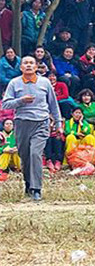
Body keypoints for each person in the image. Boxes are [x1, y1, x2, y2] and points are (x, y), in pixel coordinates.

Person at [2, 56, 63, 201]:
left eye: (31, 63)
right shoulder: (14, 83)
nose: (28, 65)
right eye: (25, 63)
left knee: (35, 153)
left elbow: (53, 105)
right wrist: (21, 101)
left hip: (41, 122)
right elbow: (6, 104)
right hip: (22, 123)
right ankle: (28, 184)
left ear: (36, 67)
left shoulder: (45, 82)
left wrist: (59, 124)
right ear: (21, 67)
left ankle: (37, 189)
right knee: (25, 156)